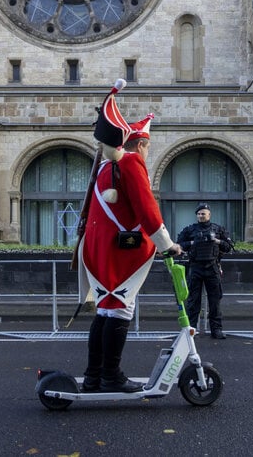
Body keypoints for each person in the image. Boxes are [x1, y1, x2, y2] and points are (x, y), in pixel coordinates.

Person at [77, 79, 181, 393]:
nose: (148, 152)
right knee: (120, 309)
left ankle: (95, 376)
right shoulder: (132, 163)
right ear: (139, 145)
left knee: (106, 311)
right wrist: (168, 245)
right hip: (120, 254)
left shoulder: (106, 167)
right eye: (148, 146)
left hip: (98, 251)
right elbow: (148, 211)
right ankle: (111, 375)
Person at [177, 203, 234, 339]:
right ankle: (191, 330)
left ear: (209, 214)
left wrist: (217, 241)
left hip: (212, 267)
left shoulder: (218, 229)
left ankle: (216, 330)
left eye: (203, 213)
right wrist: (192, 243)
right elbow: (178, 246)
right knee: (193, 301)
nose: (201, 216)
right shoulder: (190, 230)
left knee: (215, 301)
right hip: (195, 267)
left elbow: (229, 247)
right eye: (199, 214)